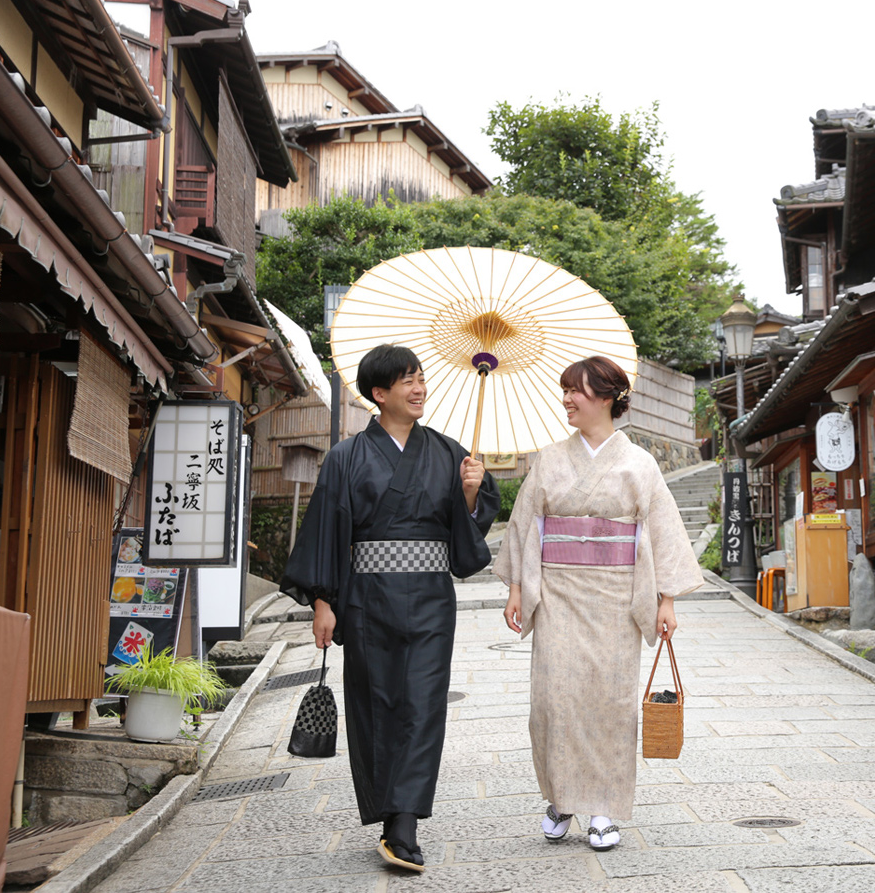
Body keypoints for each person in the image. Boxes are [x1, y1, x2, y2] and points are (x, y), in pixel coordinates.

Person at [279, 344, 499, 872]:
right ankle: (388, 814)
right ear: (379, 394)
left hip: (429, 598)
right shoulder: (346, 458)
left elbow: (464, 543)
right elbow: (329, 531)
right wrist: (323, 603)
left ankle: (405, 824)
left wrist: (471, 495)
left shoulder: (451, 454)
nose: (419, 387)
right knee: (376, 704)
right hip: (367, 600)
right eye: (406, 381)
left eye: (421, 377)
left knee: (424, 706)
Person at [495, 356, 703, 851]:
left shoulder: (639, 463)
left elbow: (662, 531)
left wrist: (666, 599)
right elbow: (525, 524)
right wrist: (517, 589)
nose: (567, 399)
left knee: (609, 703)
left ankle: (604, 809)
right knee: (553, 701)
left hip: (615, 597)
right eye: (564, 390)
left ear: (607, 397)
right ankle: (561, 798)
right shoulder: (548, 459)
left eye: (577, 391)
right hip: (559, 593)